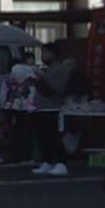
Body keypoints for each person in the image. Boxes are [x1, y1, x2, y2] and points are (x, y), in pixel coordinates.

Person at [32, 43, 79, 176]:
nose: (43, 56)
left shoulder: (60, 69)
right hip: (40, 107)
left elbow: (56, 88)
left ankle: (61, 162)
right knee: (43, 137)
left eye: (45, 53)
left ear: (53, 54)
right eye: (42, 54)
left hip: (52, 108)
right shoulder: (47, 69)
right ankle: (47, 161)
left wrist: (41, 76)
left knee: (54, 136)